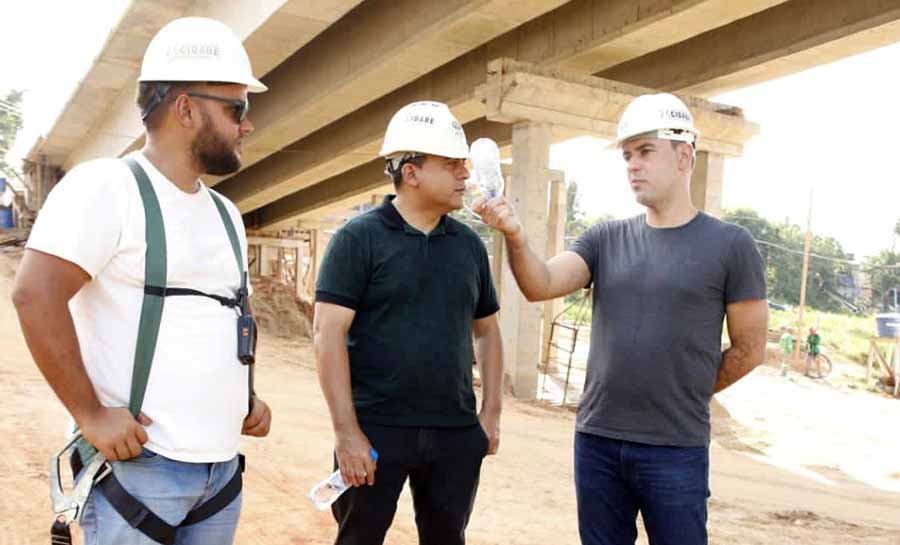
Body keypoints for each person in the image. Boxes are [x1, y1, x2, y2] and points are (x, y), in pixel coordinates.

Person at [12, 17, 271, 544]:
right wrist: (90, 414)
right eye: (237, 109)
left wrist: (244, 398)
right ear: (186, 109)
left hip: (219, 474)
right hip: (140, 473)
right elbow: (35, 294)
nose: (247, 125)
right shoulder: (107, 187)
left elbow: (217, 317)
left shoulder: (225, 214)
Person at [475, 92, 768, 545]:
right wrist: (514, 234)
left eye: (646, 152)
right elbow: (541, 284)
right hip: (597, 443)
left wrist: (684, 391)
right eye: (628, 155)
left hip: (675, 449)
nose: (633, 164)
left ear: (684, 155)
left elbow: (750, 350)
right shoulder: (605, 238)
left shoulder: (731, 245)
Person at [314, 100, 503, 545]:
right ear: (411, 172)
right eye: (452, 164)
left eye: (465, 165)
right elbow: (327, 336)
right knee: (359, 537)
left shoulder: (469, 246)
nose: (465, 175)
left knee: (446, 538)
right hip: (376, 429)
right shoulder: (358, 239)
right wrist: (347, 434)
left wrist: (490, 413)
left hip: (454, 431)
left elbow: (488, 332)